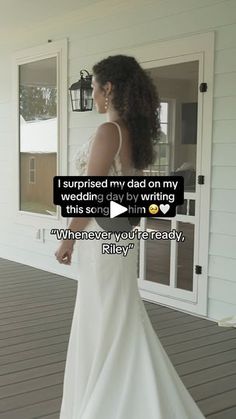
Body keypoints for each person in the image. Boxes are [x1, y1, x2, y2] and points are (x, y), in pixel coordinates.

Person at [55, 55, 205, 418]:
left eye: (93, 87)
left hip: (98, 240)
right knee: (116, 312)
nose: (92, 94)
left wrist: (68, 238)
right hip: (118, 239)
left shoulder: (109, 132)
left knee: (103, 313)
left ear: (108, 88)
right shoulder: (132, 134)